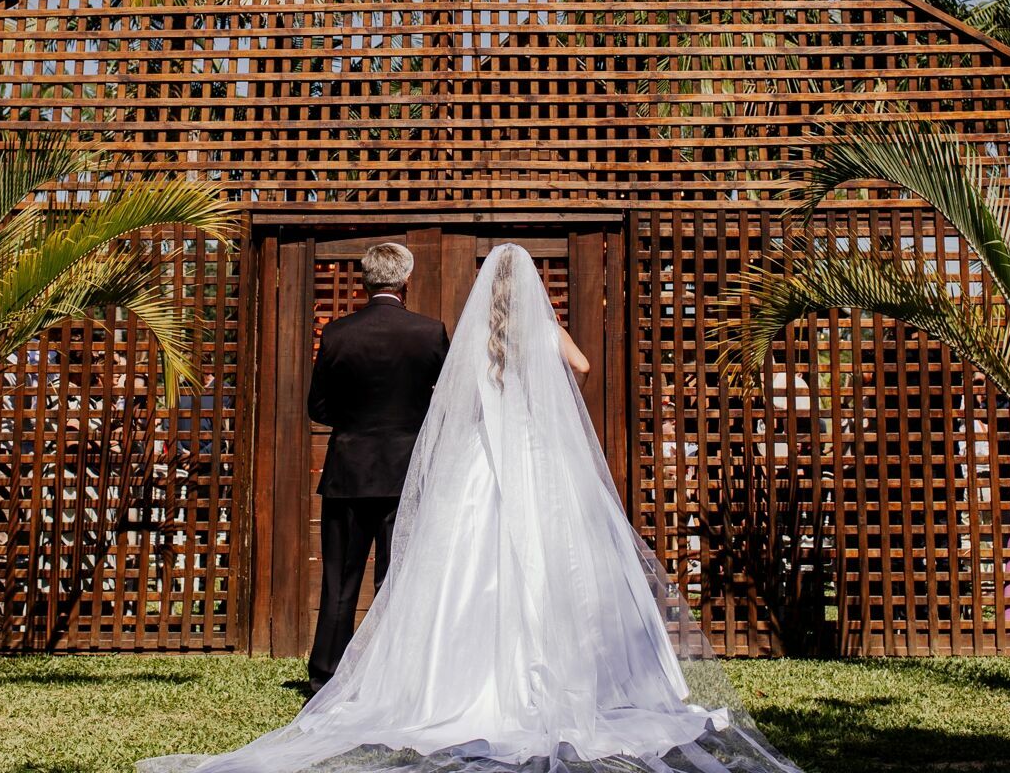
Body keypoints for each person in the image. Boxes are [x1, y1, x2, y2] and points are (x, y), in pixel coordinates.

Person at [140, 243, 804, 773]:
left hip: (427, 467)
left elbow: (422, 403)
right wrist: (547, 332)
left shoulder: (445, 341)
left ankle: (358, 678)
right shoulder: (492, 335)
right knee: (521, 569)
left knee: (426, 580)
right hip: (533, 464)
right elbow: (579, 370)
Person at [304, 241, 450, 691]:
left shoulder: (337, 333)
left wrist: (354, 423)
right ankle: (392, 676)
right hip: (404, 473)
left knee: (340, 582)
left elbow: (318, 407)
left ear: (364, 280)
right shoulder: (430, 332)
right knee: (396, 577)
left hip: (349, 472)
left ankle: (326, 674)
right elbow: (447, 401)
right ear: (406, 279)